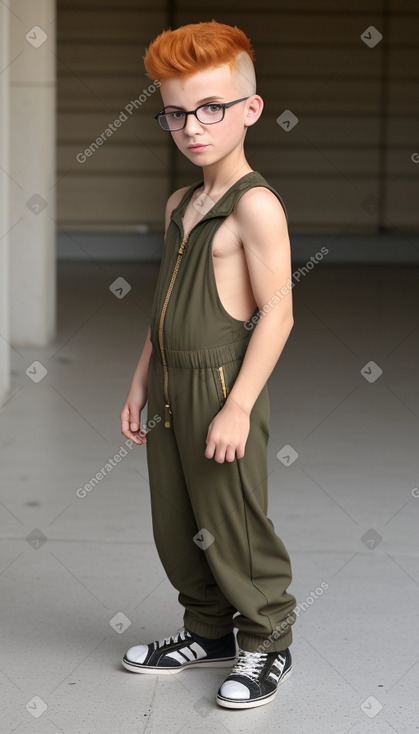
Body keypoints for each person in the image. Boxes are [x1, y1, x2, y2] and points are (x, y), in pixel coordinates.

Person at [120, 19, 296, 710]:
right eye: (176, 112)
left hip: (221, 380)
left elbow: (277, 313)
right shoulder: (178, 204)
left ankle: (266, 640)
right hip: (168, 377)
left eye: (210, 108)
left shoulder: (255, 206)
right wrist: (140, 377)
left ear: (250, 109)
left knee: (232, 519)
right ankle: (208, 632)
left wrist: (239, 405)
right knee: (176, 517)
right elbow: (162, 303)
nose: (193, 126)